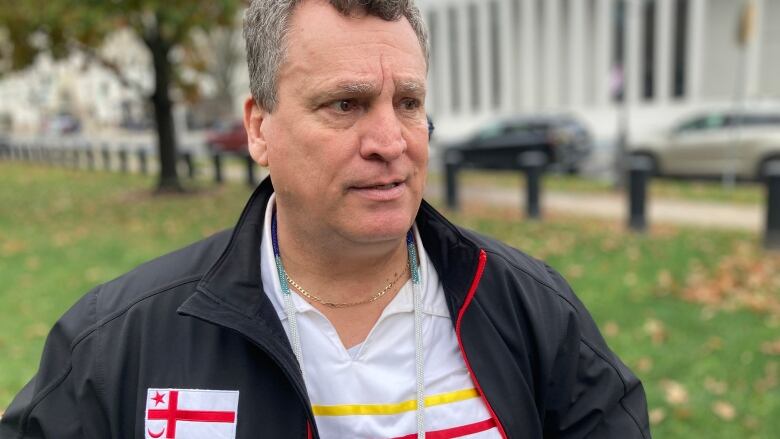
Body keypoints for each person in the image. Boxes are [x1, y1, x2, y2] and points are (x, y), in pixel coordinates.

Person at [0, 0, 651, 438]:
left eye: (408, 102)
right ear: (259, 126)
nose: (391, 140)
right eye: (346, 104)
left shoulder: (533, 312)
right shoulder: (118, 342)